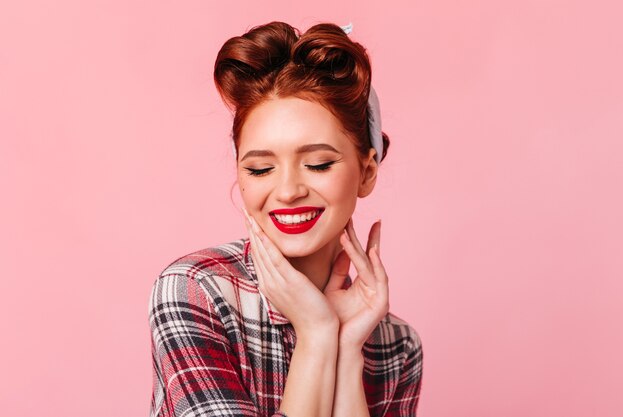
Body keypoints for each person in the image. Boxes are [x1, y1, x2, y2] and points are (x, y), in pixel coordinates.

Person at [148, 21, 423, 417]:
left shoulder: (397, 346)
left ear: (367, 172)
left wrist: (346, 352)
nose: (288, 190)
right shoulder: (195, 293)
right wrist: (316, 335)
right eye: (260, 170)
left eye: (317, 164)